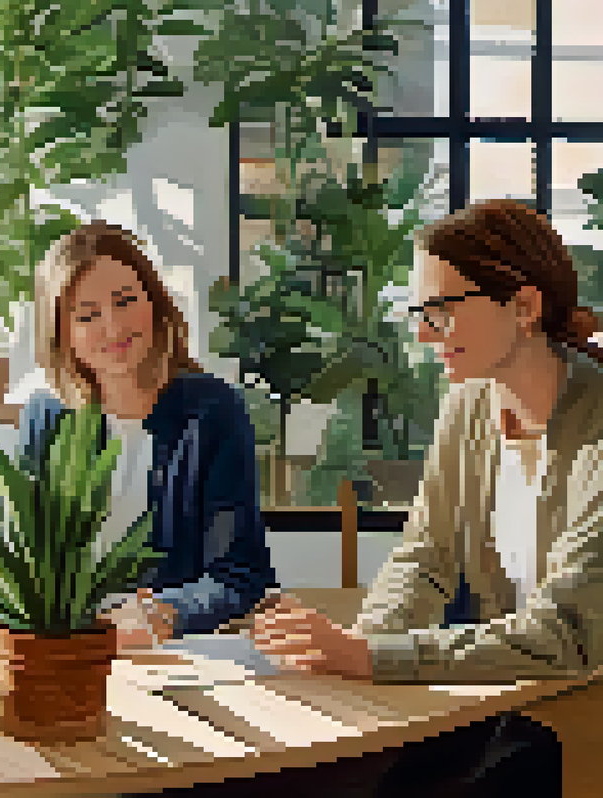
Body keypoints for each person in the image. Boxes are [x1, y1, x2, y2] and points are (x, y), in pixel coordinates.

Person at [248, 199, 588, 797]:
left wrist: (373, 659)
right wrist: (355, 654)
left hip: (576, 717)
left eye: (440, 310)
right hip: (501, 692)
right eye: (418, 312)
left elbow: (562, 636)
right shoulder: (470, 404)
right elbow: (426, 555)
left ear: (525, 308)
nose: (422, 332)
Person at [16, 221, 276, 649]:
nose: (113, 327)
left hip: (174, 650)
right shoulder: (46, 416)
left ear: (154, 303)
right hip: (67, 650)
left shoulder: (212, 411)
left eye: (125, 301)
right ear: (62, 334)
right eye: (87, 315)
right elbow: (30, 563)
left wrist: (161, 613)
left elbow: (239, 574)